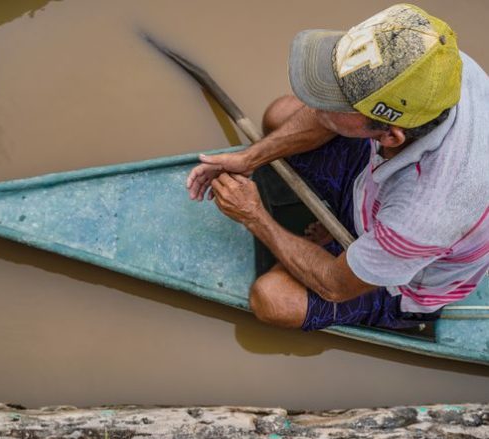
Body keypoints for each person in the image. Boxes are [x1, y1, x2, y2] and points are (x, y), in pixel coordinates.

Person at [186, 3, 489, 332]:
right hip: (375, 189)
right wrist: (250, 158)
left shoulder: (421, 218)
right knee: (280, 114)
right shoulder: (436, 65)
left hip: (400, 278)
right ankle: (346, 222)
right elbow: (322, 113)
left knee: (272, 299)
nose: (317, 106)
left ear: (390, 135)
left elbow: (335, 285)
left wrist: (253, 215)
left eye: (338, 102)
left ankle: (386, 293)